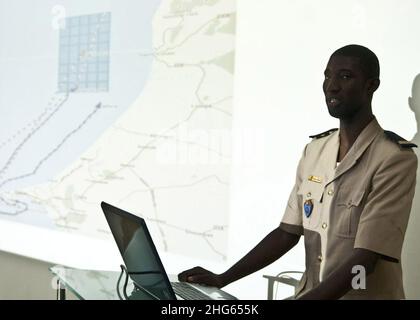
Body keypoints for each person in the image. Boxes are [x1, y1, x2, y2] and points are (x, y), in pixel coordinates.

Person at [178, 44, 418, 299]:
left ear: (371, 85)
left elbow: (365, 259)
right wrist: (222, 278)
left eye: (345, 76)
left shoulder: (394, 158)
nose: (331, 86)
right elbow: (286, 233)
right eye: (327, 75)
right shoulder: (314, 151)